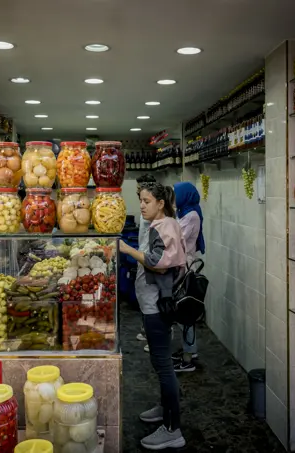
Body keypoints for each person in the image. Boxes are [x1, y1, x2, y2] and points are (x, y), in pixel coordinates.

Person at [120, 182, 187, 451]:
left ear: (161, 203)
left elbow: (159, 264)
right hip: (151, 304)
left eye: (147, 201)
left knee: (163, 365)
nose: (143, 205)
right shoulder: (155, 225)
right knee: (159, 364)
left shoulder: (166, 225)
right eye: (141, 201)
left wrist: (127, 250)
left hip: (159, 307)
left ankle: (173, 429)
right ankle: (164, 407)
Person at [171, 181, 205, 372]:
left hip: (186, 267)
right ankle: (189, 349)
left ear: (185, 195)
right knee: (183, 311)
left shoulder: (191, 215)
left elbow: (178, 239)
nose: (174, 199)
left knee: (186, 312)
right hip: (182, 265)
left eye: (176, 195)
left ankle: (188, 358)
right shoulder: (184, 211)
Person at [134, 174, 156, 349]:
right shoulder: (146, 210)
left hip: (149, 257)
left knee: (151, 300)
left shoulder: (156, 215)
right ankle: (147, 331)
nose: (142, 204)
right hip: (143, 253)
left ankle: (155, 338)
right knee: (143, 295)